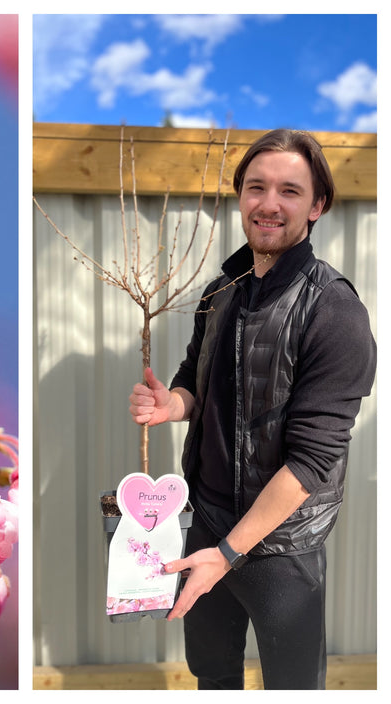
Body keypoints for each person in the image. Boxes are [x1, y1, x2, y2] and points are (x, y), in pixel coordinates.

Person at [127, 128, 376, 690]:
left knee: (291, 686)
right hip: (206, 518)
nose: (269, 203)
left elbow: (311, 462)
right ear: (241, 197)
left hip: (279, 546)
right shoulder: (222, 291)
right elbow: (197, 381)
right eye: (256, 187)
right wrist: (173, 404)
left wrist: (228, 553)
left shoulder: (334, 311)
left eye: (289, 190)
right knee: (213, 675)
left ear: (317, 205)